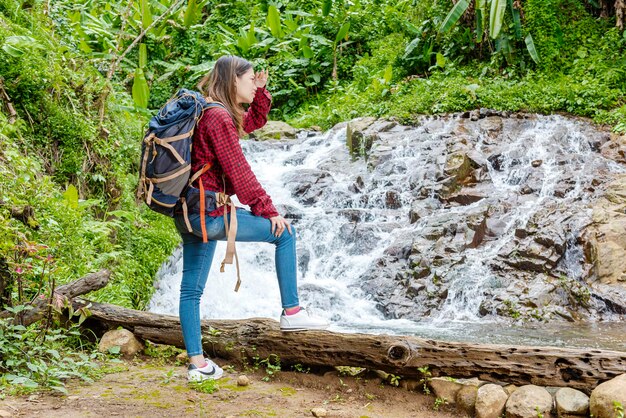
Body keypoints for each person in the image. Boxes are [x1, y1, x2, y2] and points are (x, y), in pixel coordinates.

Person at [173, 55, 329, 382]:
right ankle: (292, 312)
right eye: (248, 81)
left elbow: (253, 121)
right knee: (284, 234)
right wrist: (268, 211)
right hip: (210, 214)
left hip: (189, 211)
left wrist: (260, 91)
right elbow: (239, 172)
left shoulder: (211, 112)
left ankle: (198, 366)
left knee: (191, 291)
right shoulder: (218, 119)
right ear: (233, 82)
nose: (251, 86)